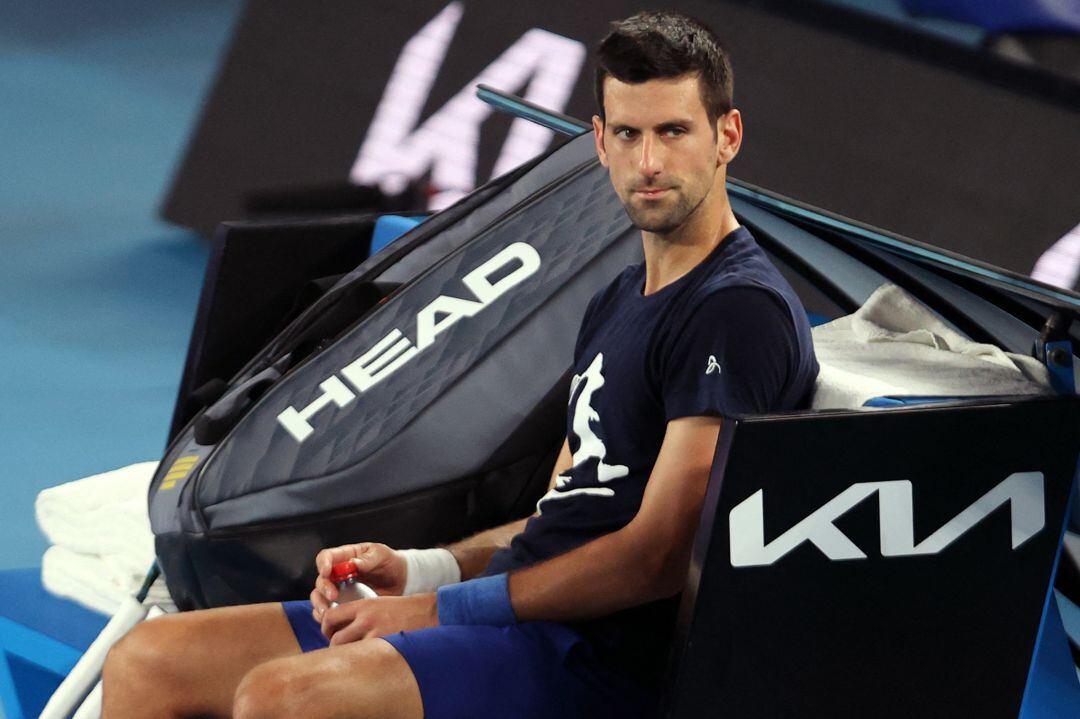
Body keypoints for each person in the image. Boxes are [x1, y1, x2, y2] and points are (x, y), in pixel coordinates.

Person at [102, 11, 818, 719]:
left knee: (284, 697)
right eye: (628, 134)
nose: (650, 162)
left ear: (727, 136)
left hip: (598, 661)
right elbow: (556, 518)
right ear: (599, 143)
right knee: (152, 657)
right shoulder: (617, 297)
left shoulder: (737, 311)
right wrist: (420, 569)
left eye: (674, 132)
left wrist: (438, 609)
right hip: (519, 620)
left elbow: (657, 556)